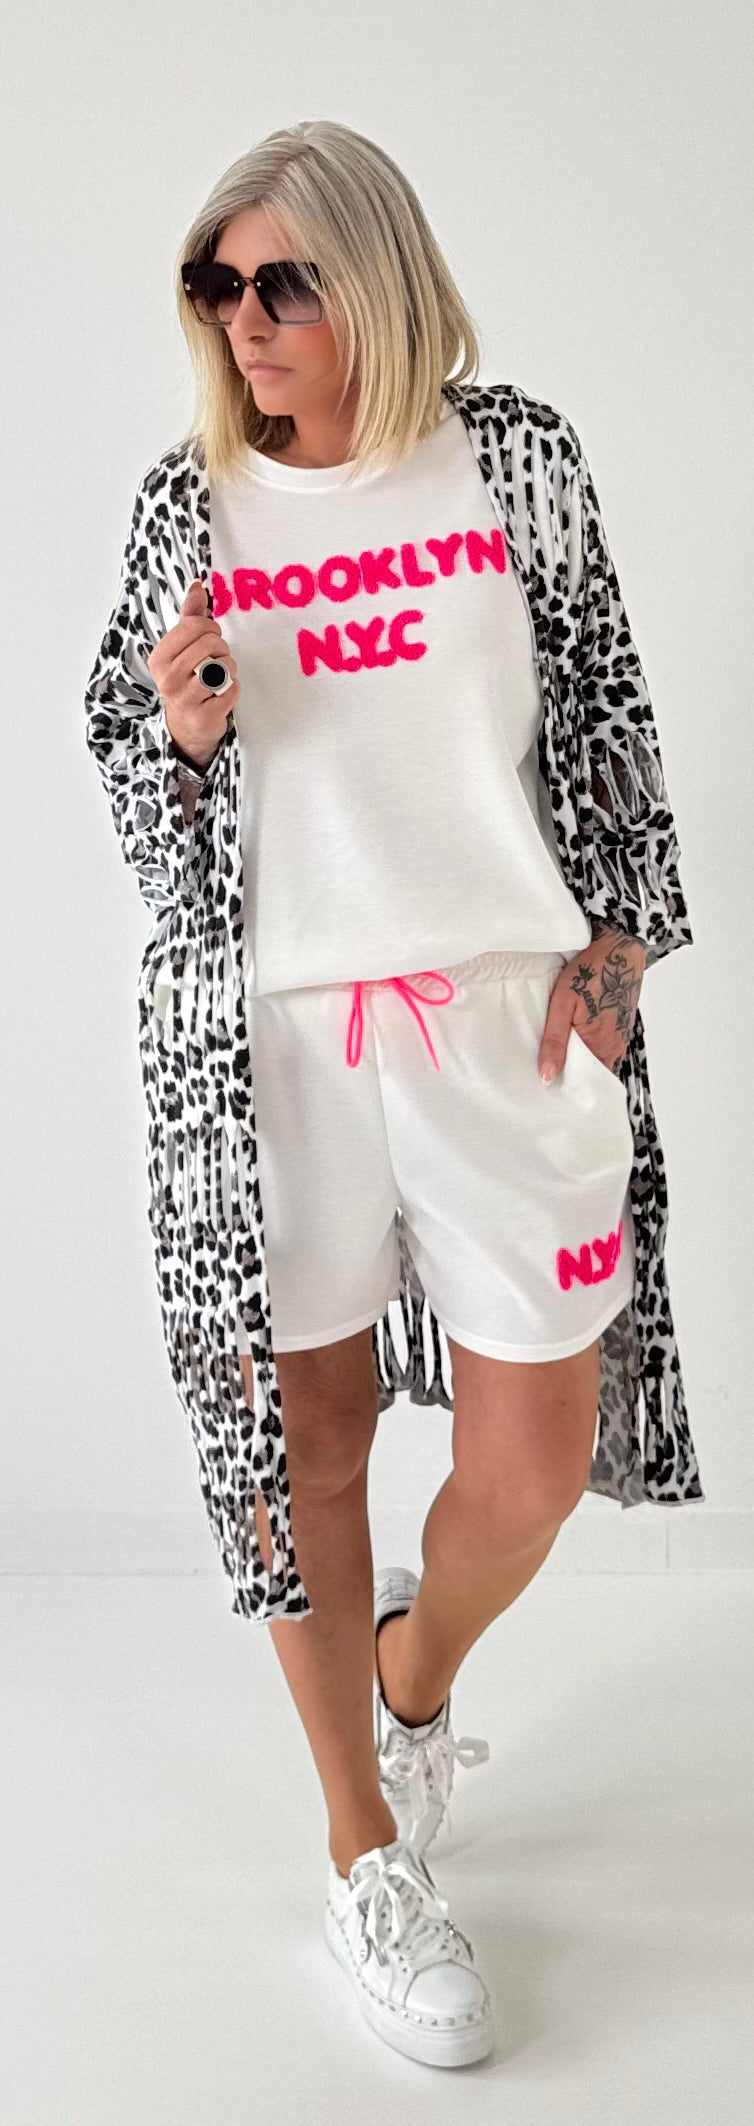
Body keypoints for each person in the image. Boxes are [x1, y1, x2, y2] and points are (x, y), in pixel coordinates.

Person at [84, 118, 701, 2070]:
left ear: (377, 275)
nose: (245, 319)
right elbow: (131, 784)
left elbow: (604, 716)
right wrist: (182, 736)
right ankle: (364, 1843)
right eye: (215, 284)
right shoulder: (187, 504)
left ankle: (410, 1677)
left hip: (501, 1019)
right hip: (264, 1045)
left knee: (533, 1457)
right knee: (311, 1446)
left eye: (283, 278)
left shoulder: (513, 460)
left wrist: (615, 962)